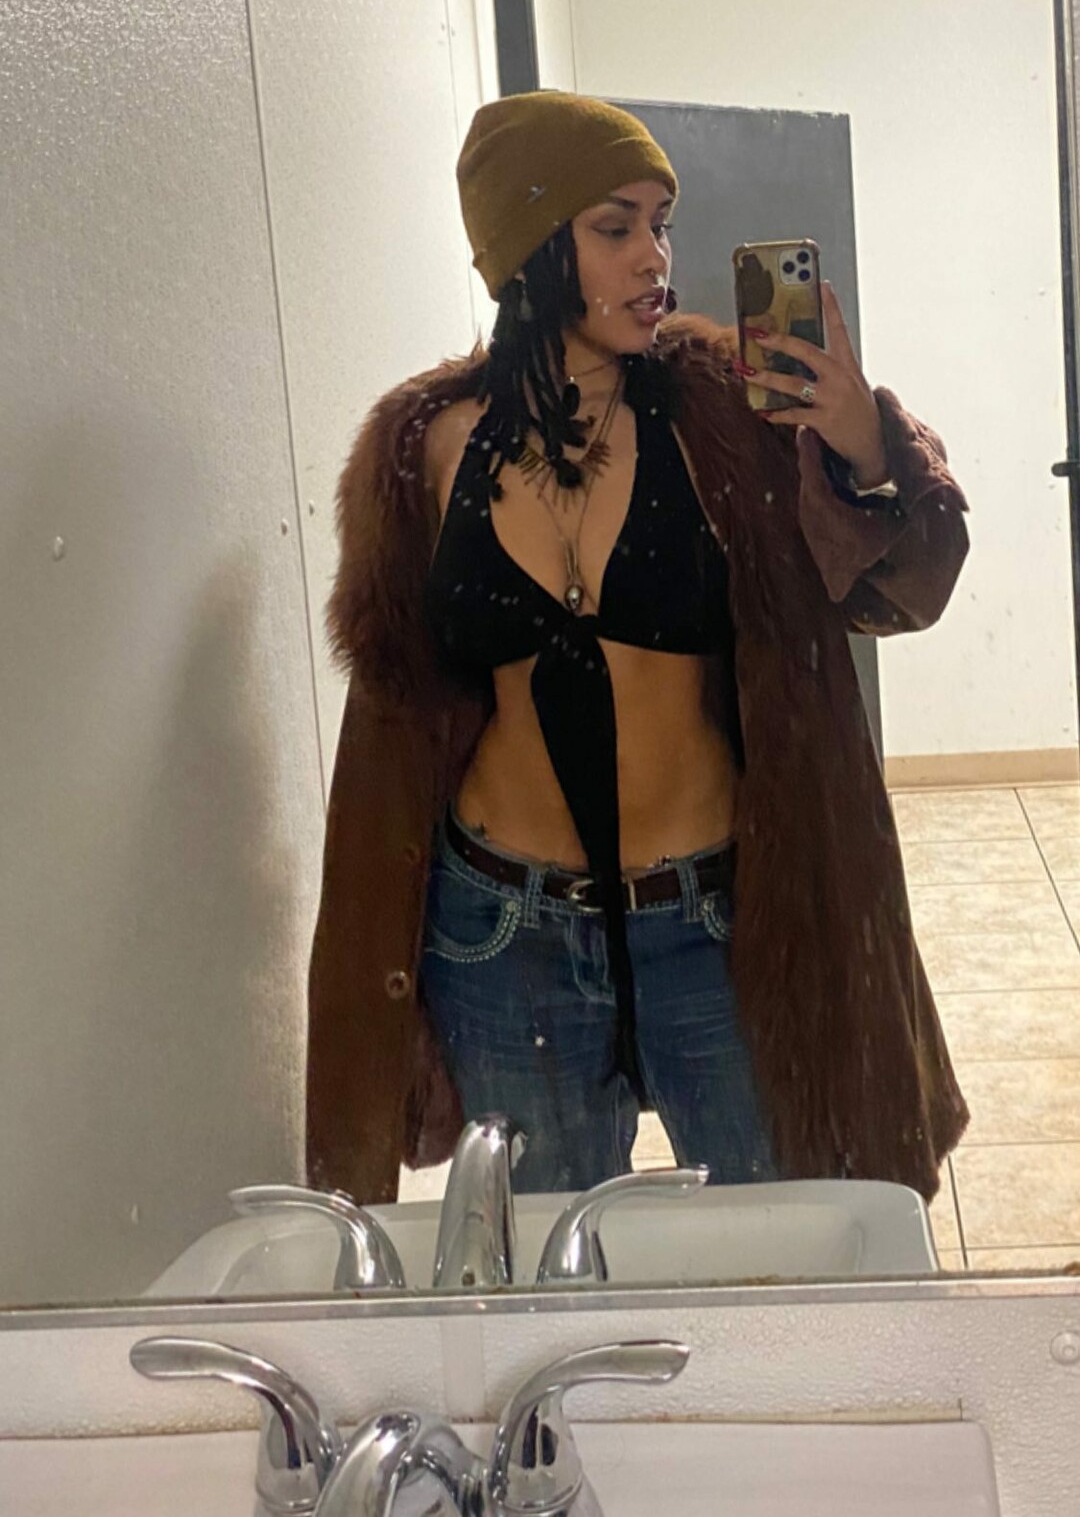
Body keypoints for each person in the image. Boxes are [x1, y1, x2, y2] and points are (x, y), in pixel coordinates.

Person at [306, 91, 970, 1206]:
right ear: (527, 244)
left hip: (715, 921)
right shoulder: (423, 450)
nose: (654, 257)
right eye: (614, 227)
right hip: (503, 933)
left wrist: (863, 442)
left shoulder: (725, 412)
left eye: (661, 224)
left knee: (777, 1246)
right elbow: (399, 704)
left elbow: (909, 588)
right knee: (553, 1271)